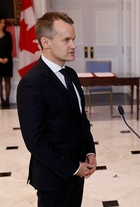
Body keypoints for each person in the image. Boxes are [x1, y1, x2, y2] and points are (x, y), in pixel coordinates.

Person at [17, 12, 96, 207]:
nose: (73, 46)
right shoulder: (31, 83)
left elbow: (81, 118)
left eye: (74, 39)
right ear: (46, 42)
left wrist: (90, 150)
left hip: (78, 170)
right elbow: (34, 141)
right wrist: (72, 168)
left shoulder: (71, 74)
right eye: (66, 40)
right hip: (52, 178)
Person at [0, 17, 13, 108]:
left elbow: (10, 48)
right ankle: (2, 100)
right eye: (1, 22)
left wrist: (7, 58)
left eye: (4, 23)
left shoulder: (8, 35)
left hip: (8, 60)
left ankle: (7, 99)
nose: (2, 24)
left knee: (7, 80)